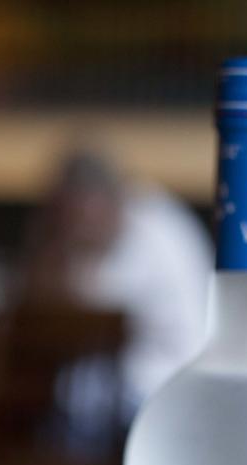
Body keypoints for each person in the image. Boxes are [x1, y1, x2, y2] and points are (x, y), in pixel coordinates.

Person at [26, 150, 212, 430]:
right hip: (156, 388)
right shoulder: (148, 211)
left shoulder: (152, 228)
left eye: (73, 213)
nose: (74, 224)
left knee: (50, 417)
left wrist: (60, 252)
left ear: (92, 200)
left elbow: (83, 305)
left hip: (162, 393)